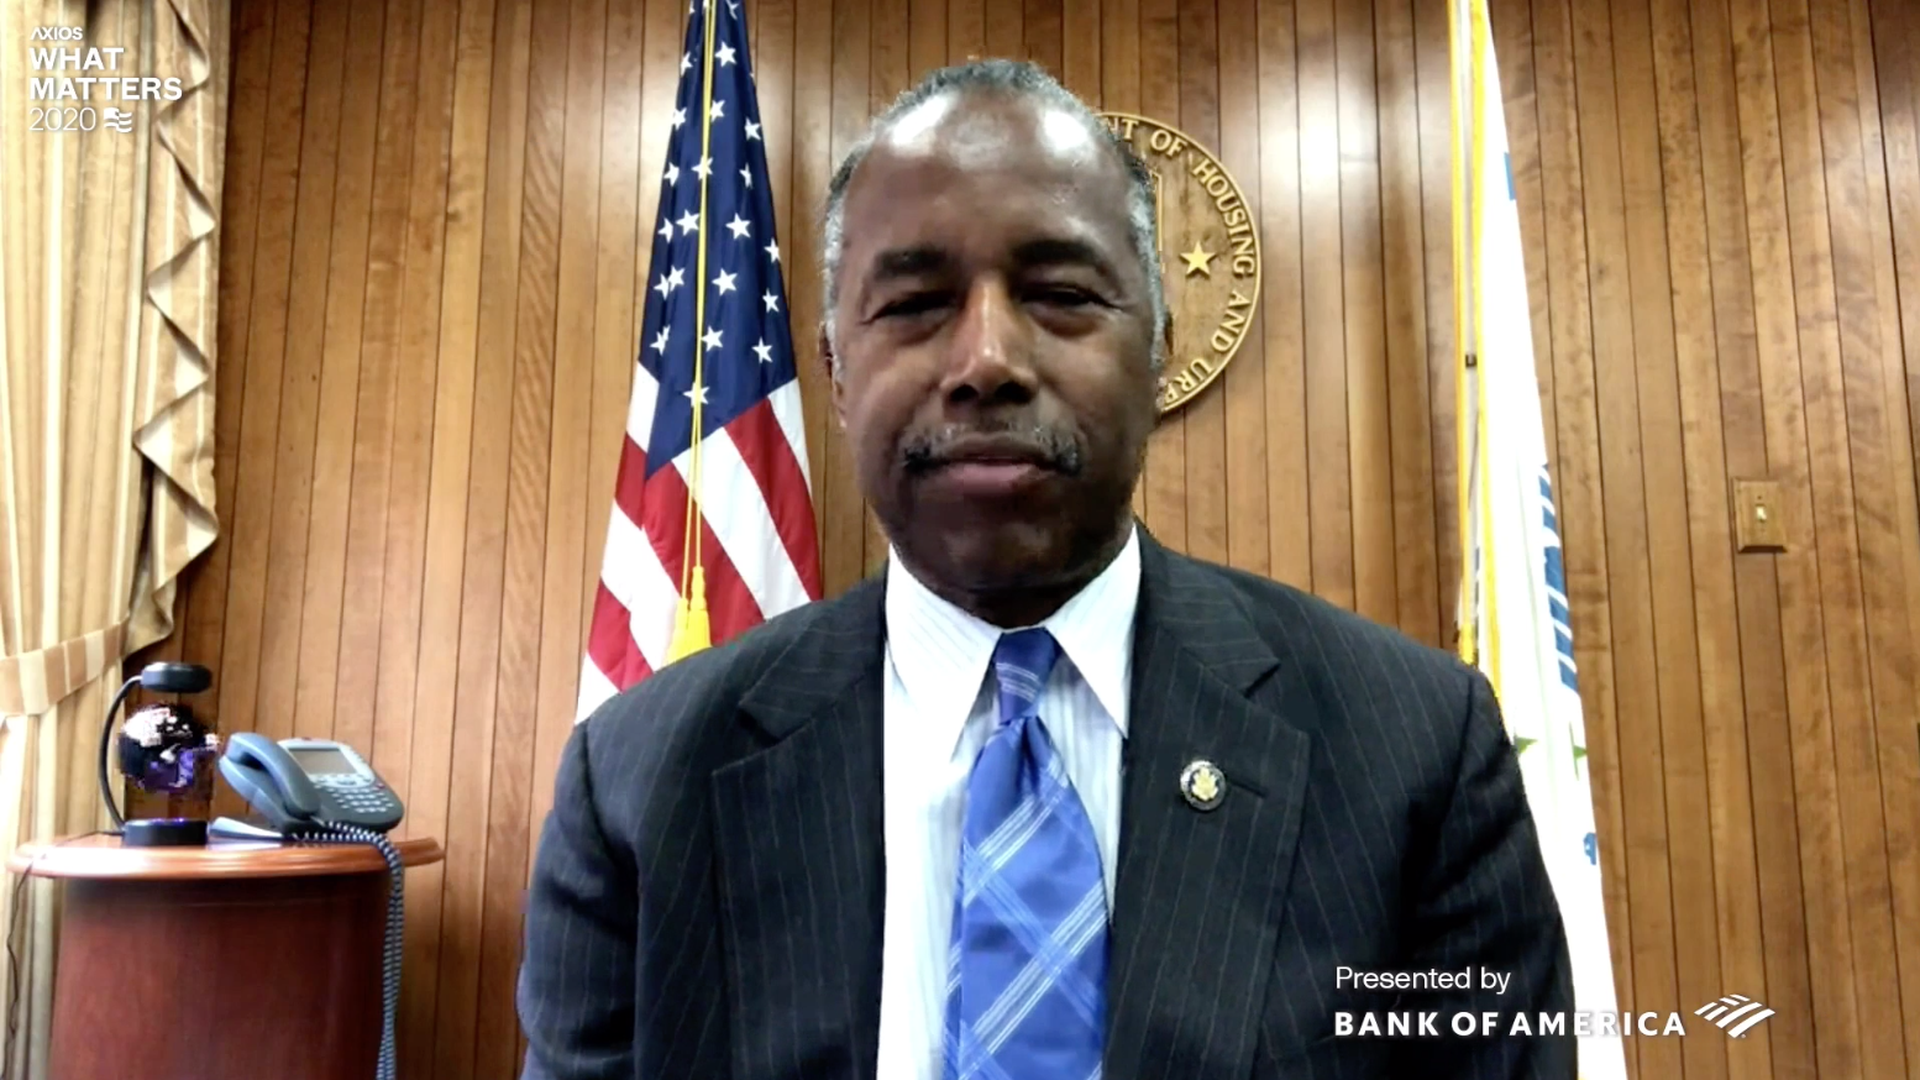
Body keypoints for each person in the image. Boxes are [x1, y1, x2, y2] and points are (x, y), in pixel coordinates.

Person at [517, 58, 1575, 1080]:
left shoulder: (1415, 751)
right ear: (835, 372)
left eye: (1062, 292)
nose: (987, 361)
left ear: (1157, 347)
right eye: (916, 304)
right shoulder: (641, 781)